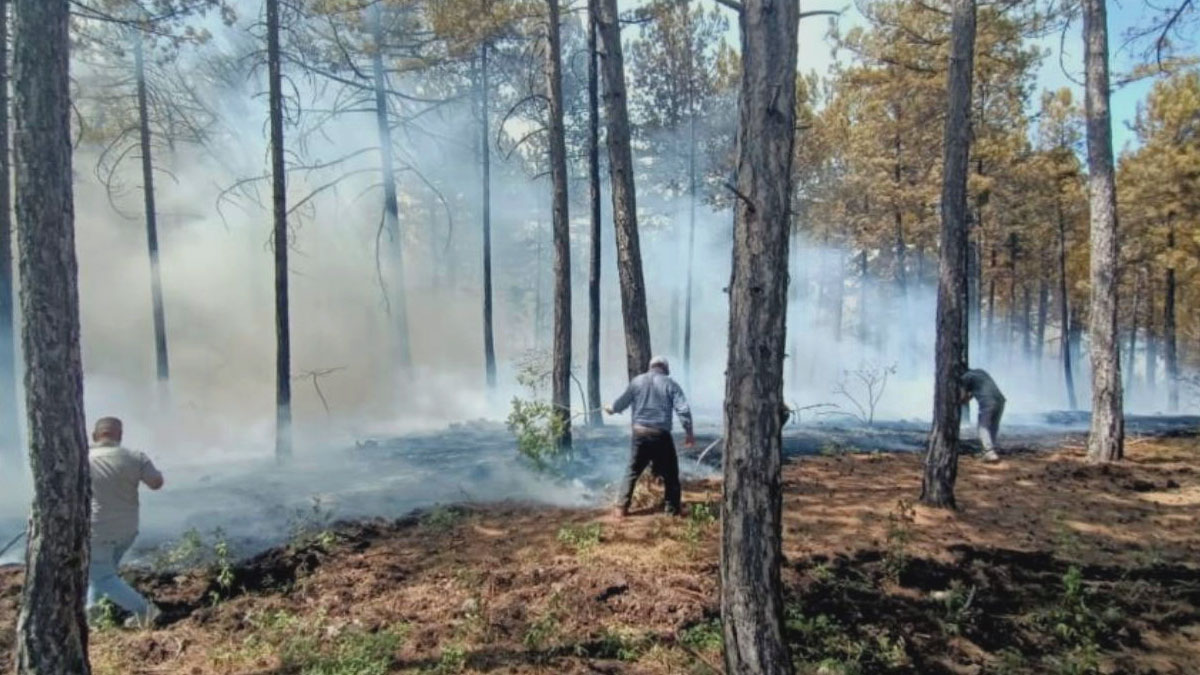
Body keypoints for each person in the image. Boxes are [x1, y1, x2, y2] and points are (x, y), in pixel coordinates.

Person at [87, 417, 164, 627]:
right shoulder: (135, 457)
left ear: (94, 436)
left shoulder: (84, 458)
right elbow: (156, 483)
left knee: (102, 576)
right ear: (120, 436)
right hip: (127, 530)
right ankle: (94, 616)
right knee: (104, 572)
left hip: (97, 531)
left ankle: (145, 611)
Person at [605, 356, 694, 517]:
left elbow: (621, 403)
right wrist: (689, 433)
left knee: (632, 471)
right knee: (671, 473)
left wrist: (611, 409)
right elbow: (683, 410)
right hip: (660, 435)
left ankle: (621, 508)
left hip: (639, 434)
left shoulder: (637, 382)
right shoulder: (670, 384)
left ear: (650, 366)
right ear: (665, 368)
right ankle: (672, 509)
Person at [960, 369, 1005, 462]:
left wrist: (956, 402)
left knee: (982, 427)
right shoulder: (980, 372)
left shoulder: (965, 378)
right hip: (1000, 400)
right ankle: (989, 451)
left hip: (987, 402)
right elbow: (977, 390)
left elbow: (963, 397)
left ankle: (989, 452)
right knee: (993, 426)